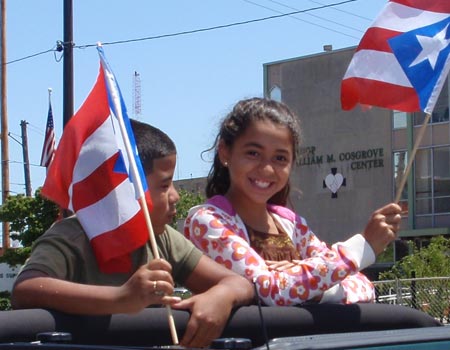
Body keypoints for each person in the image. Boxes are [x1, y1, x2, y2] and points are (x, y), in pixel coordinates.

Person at [11, 119, 255, 348]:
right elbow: (27, 288)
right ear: (123, 190)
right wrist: (120, 298)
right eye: (164, 185)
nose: (175, 196)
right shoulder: (72, 235)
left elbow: (239, 283)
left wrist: (221, 297)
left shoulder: (161, 238)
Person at [184, 97, 402, 306]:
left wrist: (308, 285)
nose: (267, 169)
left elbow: (364, 286)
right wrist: (362, 247)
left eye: (280, 158)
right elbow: (271, 291)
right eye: (253, 153)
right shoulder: (207, 222)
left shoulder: (292, 224)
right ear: (225, 152)